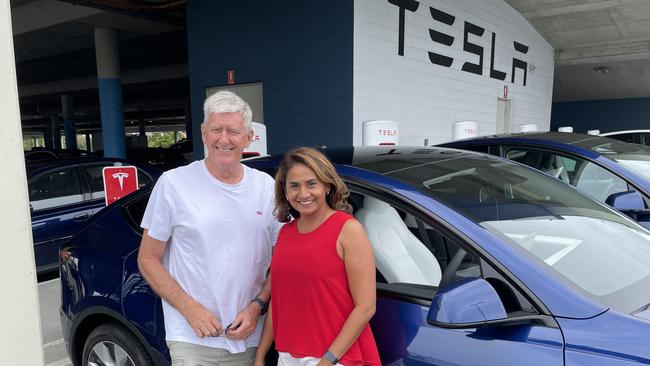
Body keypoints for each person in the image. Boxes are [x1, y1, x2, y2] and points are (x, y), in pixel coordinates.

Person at [138, 90, 282, 365]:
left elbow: (282, 260)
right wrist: (190, 309)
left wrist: (258, 306)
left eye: (233, 131)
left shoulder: (266, 188)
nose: (223, 139)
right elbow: (147, 259)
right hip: (192, 338)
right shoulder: (173, 184)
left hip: (248, 337)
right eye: (216, 129)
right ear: (204, 133)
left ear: (249, 137)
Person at [254, 147, 381, 366]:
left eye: (311, 183)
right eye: (294, 186)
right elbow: (280, 301)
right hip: (288, 355)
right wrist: (260, 356)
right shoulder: (286, 233)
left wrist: (327, 361)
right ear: (284, 190)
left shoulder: (348, 230)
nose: (303, 194)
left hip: (336, 357)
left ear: (327, 185)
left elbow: (366, 307)